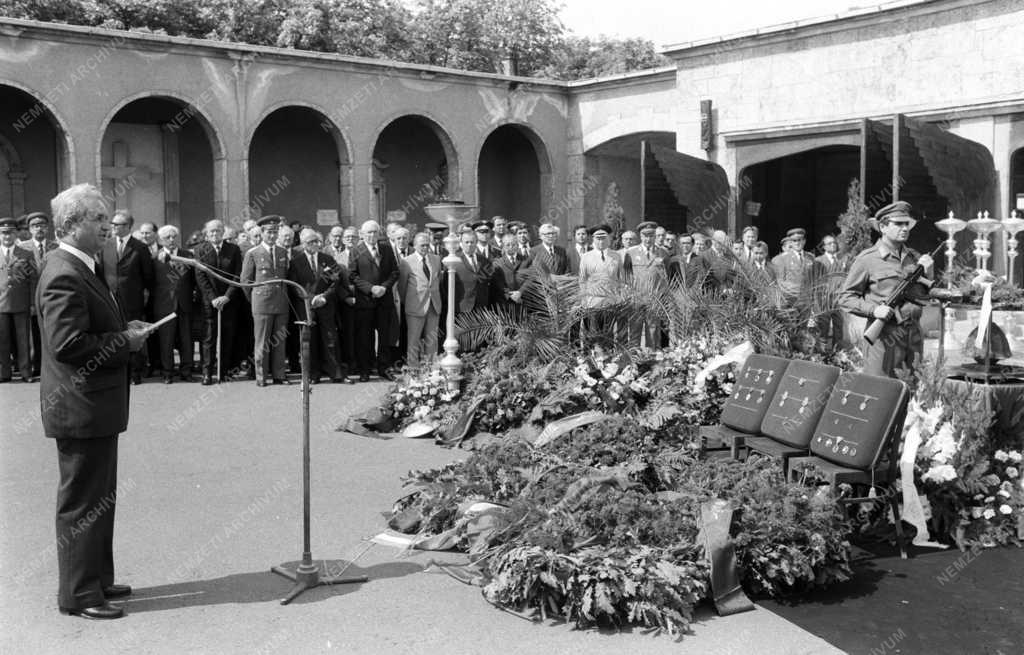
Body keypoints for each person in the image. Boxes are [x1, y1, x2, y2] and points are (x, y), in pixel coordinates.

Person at [38, 183, 149, 620]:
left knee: (99, 498)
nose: (107, 227)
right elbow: (68, 344)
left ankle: (98, 578)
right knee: (83, 502)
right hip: (80, 407)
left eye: (107, 219)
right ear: (70, 224)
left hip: (94, 406)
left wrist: (125, 327)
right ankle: (79, 594)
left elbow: (92, 324)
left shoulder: (83, 265)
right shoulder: (64, 270)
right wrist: (125, 342)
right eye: (98, 220)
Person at [838, 201, 934, 377]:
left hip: (913, 334)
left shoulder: (914, 258)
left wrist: (928, 272)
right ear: (883, 226)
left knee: (912, 392)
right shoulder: (867, 259)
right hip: (884, 336)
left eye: (907, 224)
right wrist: (874, 310)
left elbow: (924, 297)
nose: (905, 228)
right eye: (898, 224)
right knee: (880, 393)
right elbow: (845, 298)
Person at [288, 228, 351, 384]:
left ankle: (335, 372)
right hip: (307, 307)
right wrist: (311, 299)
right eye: (310, 242)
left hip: (326, 304)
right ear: (303, 244)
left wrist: (324, 296)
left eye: (316, 241)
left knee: (330, 338)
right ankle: (313, 374)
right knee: (310, 341)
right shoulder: (295, 262)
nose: (315, 244)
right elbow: (295, 286)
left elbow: (336, 281)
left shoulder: (327, 259)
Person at [100, 210, 154, 384]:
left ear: (128, 226)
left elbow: (148, 276)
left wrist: (143, 295)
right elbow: (100, 271)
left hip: (132, 299)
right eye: (113, 224)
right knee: (113, 333)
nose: (114, 227)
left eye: (118, 224)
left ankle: (135, 372)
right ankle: (116, 369)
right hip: (109, 298)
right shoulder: (105, 245)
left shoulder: (140, 247)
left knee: (133, 334)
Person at [240, 215, 291, 387]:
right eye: (269, 232)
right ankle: (261, 377)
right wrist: (255, 299)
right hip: (262, 303)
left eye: (275, 232)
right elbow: (245, 282)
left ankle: (279, 375)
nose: (272, 235)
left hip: (281, 303)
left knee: (279, 341)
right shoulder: (253, 253)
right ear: (261, 233)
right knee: (262, 342)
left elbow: (286, 277)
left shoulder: (283, 252)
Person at [192, 219, 243, 385]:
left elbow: (237, 275)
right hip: (209, 302)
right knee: (209, 338)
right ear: (206, 233)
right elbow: (201, 276)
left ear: (223, 233)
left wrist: (227, 296)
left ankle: (224, 371)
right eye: (212, 231)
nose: (215, 234)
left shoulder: (233, 250)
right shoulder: (200, 249)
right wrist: (213, 298)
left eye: (218, 231)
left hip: (229, 300)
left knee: (227, 337)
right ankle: (207, 373)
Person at [349, 219, 399, 382]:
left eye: (374, 232)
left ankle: (384, 368)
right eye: (368, 232)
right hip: (366, 301)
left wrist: (384, 287)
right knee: (365, 337)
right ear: (362, 234)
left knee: (384, 337)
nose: (372, 235)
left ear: (379, 234)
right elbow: (353, 275)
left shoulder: (387, 248)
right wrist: (371, 288)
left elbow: (394, 272)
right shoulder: (356, 250)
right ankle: (365, 370)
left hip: (384, 300)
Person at [150, 225, 195, 383]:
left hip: (184, 304)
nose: (171, 240)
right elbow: (151, 283)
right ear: (161, 240)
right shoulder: (154, 258)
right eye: (167, 237)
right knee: (166, 341)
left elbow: (193, 281)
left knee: (186, 339)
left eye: (174, 236)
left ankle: (186, 371)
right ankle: (167, 372)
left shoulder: (187, 255)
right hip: (164, 305)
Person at [18, 211, 58, 377]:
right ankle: (36, 365)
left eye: (42, 225)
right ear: (29, 229)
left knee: (52, 331)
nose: (39, 228)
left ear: (47, 228)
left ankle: (51, 365)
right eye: (35, 226)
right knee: (32, 333)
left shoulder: (55, 247)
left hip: (52, 297)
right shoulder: (22, 248)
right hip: (31, 297)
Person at [1, 216, 37, 382]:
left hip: (21, 303)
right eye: (3, 233)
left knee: (23, 340)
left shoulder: (26, 253)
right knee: (2, 339)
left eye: (10, 233)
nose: (7, 237)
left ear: (16, 234)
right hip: (1, 305)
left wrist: (31, 303)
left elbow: (33, 280)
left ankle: (25, 372)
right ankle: (4, 373)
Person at [399, 232, 443, 367]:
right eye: (422, 245)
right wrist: (409, 301)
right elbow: (402, 286)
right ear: (415, 245)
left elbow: (438, 281)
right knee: (413, 340)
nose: (425, 248)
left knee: (432, 340)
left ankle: (432, 370)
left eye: (427, 245)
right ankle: (413, 370)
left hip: (433, 305)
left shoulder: (436, 259)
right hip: (415, 306)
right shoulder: (406, 261)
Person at [814, 234, 849, 348]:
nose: (833, 245)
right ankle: (821, 354)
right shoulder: (819, 260)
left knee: (839, 327)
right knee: (823, 328)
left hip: (838, 299)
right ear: (824, 247)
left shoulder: (841, 260)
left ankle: (838, 354)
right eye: (829, 243)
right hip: (824, 300)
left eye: (834, 242)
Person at [772, 228, 818, 302]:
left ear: (804, 241)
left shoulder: (811, 257)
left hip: (808, 298)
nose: (797, 243)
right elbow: (780, 281)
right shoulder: (782, 258)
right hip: (790, 299)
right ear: (790, 242)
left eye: (799, 240)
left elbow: (814, 278)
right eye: (794, 241)